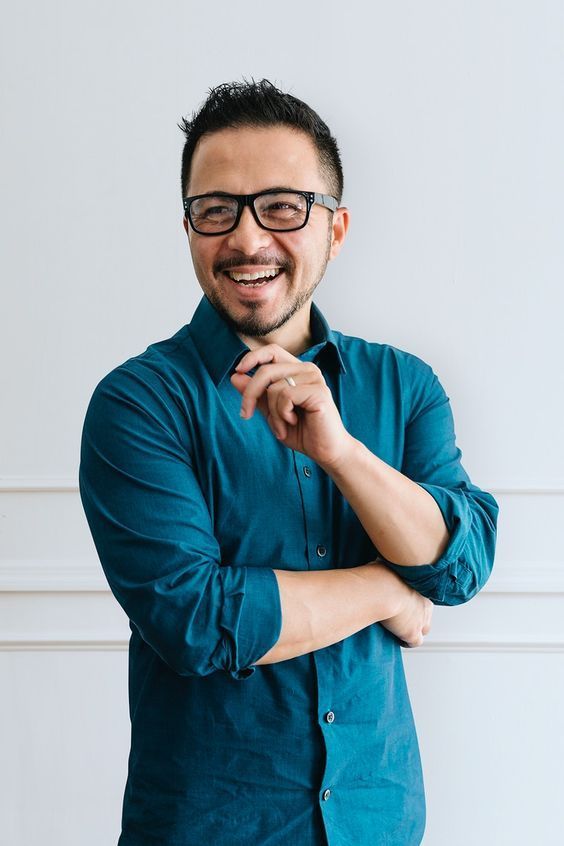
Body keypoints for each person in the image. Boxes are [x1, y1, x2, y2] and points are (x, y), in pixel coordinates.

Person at [79, 79, 498, 846]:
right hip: (208, 828)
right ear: (189, 228)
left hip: (378, 821)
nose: (246, 239)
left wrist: (340, 452)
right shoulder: (137, 404)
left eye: (282, 207)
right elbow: (196, 620)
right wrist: (385, 592)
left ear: (335, 230)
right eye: (217, 210)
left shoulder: (404, 387)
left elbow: (459, 563)